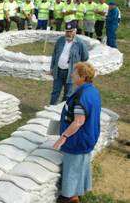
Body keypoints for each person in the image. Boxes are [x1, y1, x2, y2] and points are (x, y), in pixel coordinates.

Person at [54, 62, 101, 203]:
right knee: (81, 165)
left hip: (77, 139)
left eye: (75, 73)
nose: (72, 74)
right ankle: (76, 194)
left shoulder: (82, 96)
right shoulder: (92, 90)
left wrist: (63, 137)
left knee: (72, 168)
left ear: (83, 77)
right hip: (88, 136)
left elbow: (78, 121)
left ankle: (68, 197)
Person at [50, 24, 89, 105]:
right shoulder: (60, 40)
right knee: (55, 92)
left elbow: (85, 57)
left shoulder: (80, 43)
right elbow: (54, 54)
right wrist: (51, 68)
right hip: (58, 71)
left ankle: (63, 111)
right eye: (67, 32)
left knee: (68, 94)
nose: (68, 34)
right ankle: (51, 108)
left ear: (75, 31)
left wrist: (77, 68)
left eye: (71, 31)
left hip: (71, 73)